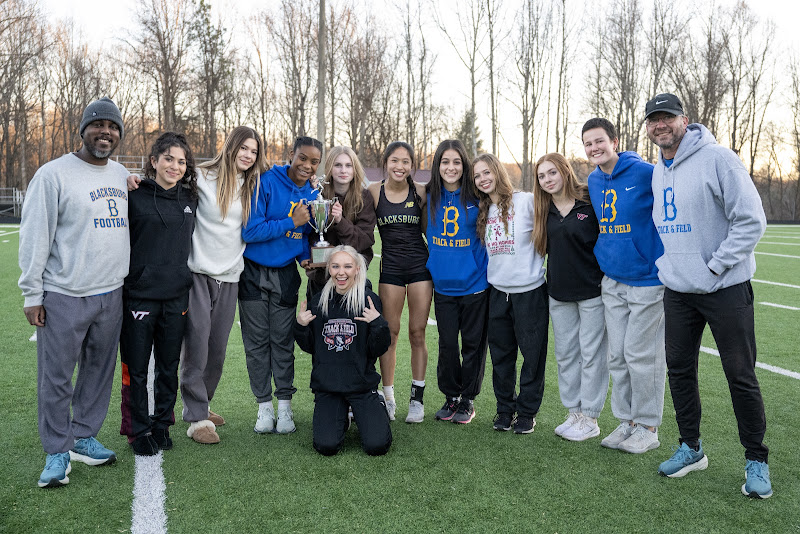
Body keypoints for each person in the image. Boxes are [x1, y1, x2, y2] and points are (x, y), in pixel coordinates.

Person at [644, 93, 771, 498]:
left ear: (684, 120)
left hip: (724, 288)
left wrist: (716, 265)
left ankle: (756, 459)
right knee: (679, 370)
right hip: (679, 290)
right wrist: (670, 265)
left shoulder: (718, 158)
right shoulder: (658, 170)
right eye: (653, 120)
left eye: (667, 117)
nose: (660, 125)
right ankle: (691, 447)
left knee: (740, 375)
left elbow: (751, 219)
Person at [19, 97, 128, 487]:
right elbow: (35, 235)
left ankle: (83, 436)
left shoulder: (121, 174)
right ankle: (56, 449)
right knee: (57, 377)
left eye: (112, 127)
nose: (105, 132)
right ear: (83, 130)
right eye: (98, 125)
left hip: (111, 292)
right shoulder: (53, 174)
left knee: (98, 373)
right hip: (64, 292)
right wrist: (32, 293)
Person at [583, 118, 666, 454]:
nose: (594, 148)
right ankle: (626, 421)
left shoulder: (645, 173)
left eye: (599, 141)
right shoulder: (593, 180)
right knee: (616, 355)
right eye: (588, 144)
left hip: (647, 280)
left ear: (614, 141)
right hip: (612, 279)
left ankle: (648, 426)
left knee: (640, 354)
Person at [180, 126, 265, 444]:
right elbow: (165, 181)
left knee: (216, 349)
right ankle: (196, 417)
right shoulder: (201, 176)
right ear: (230, 146)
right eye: (243, 148)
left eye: (254, 151)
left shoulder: (253, 183)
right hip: (198, 273)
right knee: (197, 345)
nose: (248, 155)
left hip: (230, 276)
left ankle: (203, 403)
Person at [119, 132, 197, 455]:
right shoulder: (133, 195)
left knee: (168, 366)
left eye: (181, 161)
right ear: (154, 161)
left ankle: (162, 423)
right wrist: (125, 178)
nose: (175, 166)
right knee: (136, 369)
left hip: (177, 296)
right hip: (139, 296)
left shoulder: (191, 197)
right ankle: (136, 429)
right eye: (168, 159)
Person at [240, 136, 321, 434]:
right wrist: (291, 220)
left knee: (283, 342)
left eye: (314, 162)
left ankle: (285, 406)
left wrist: (304, 257)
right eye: (303, 158)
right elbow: (250, 231)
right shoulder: (265, 182)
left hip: (286, 274)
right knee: (257, 343)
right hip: (253, 272)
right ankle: (264, 407)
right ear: (291, 155)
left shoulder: (313, 193)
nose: (307, 165)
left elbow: (303, 236)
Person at [532, 153, 608, 441]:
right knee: (566, 355)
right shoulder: (544, 209)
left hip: (592, 291)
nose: (547, 179)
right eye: (542, 176)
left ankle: (590, 417)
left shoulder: (589, 200)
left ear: (564, 171)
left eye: (552, 172)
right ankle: (574, 412)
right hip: (559, 293)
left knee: (591, 355)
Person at [474, 153, 548, 434]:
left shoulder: (525, 201)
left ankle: (527, 412)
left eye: (486, 172)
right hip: (498, 292)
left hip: (529, 292)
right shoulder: (485, 211)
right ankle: (505, 408)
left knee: (532, 356)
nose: (483, 179)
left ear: (498, 172)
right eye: (477, 176)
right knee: (501, 357)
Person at [295, 245, 392, 456]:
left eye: (347, 266)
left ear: (357, 269)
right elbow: (310, 347)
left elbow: (378, 349)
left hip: (361, 385)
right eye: (336, 266)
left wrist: (378, 324)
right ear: (329, 268)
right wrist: (301, 327)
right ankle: (341, 417)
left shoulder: (368, 300)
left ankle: (377, 404)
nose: (341, 272)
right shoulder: (318, 301)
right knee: (326, 446)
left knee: (377, 446)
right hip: (328, 386)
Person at [367, 142, 432, 423]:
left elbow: (431, 230)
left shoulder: (421, 192)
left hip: (419, 268)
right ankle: (389, 397)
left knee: (417, 332)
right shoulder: (374, 191)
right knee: (390, 334)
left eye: (406, 162)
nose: (400, 166)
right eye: (395, 160)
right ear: (386, 162)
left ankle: (417, 400)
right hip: (391, 269)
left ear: (412, 165)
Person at [426, 139, 489, 424]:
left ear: (465, 165)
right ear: (437, 165)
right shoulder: (427, 195)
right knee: (448, 344)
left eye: (456, 162)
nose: (450, 167)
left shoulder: (478, 196)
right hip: (443, 286)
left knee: (473, 345)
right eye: (445, 162)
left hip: (475, 284)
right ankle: (451, 396)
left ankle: (468, 399)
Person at [306, 146, 376, 298]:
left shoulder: (364, 198)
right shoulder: (318, 195)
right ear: (330, 168)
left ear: (355, 169)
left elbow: (365, 240)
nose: (343, 170)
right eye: (338, 165)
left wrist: (340, 221)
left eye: (348, 165)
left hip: (353, 278)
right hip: (321, 278)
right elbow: (309, 237)